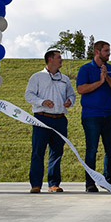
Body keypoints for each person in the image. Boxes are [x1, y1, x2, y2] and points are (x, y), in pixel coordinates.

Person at [24, 50, 75, 193]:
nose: (61, 60)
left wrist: (70, 101)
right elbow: (28, 95)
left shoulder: (64, 78)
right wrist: (42, 102)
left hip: (60, 119)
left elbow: (71, 94)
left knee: (57, 152)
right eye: (59, 58)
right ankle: (36, 185)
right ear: (50, 60)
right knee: (38, 152)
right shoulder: (37, 77)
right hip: (41, 118)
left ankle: (53, 184)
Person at [76, 40, 111, 193]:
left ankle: (107, 181)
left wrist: (107, 77)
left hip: (110, 115)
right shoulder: (85, 69)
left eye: (109, 50)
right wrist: (100, 81)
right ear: (97, 52)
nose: (109, 53)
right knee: (91, 150)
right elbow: (81, 89)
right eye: (106, 51)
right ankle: (90, 183)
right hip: (91, 116)